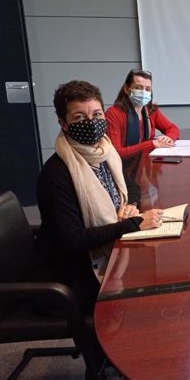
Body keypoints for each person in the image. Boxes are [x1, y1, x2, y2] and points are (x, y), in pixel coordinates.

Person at [37, 80, 164, 309]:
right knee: (151, 299)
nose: (91, 123)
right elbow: (72, 241)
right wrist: (132, 224)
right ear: (63, 124)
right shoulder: (56, 174)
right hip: (75, 274)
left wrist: (131, 205)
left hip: (110, 245)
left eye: (96, 114)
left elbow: (130, 185)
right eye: (79, 117)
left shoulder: (104, 152)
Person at [105, 69, 180, 167]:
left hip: (146, 166)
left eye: (147, 89)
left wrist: (168, 138)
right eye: (138, 87)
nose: (143, 92)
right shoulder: (113, 113)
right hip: (122, 168)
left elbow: (173, 128)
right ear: (127, 89)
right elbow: (116, 153)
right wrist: (151, 144)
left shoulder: (151, 110)